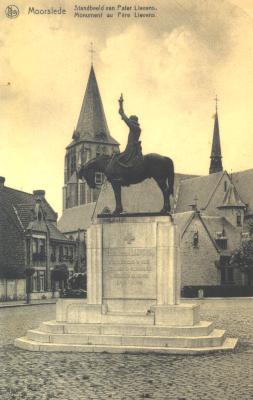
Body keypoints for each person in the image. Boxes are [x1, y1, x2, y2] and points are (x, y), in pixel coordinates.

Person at [107, 94, 143, 182]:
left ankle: (122, 177)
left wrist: (121, 106)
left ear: (133, 122)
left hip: (131, 150)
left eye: (131, 121)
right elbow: (125, 118)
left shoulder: (134, 128)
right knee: (119, 159)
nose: (129, 123)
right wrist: (120, 106)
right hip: (132, 148)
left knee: (117, 159)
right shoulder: (136, 128)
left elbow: (125, 119)